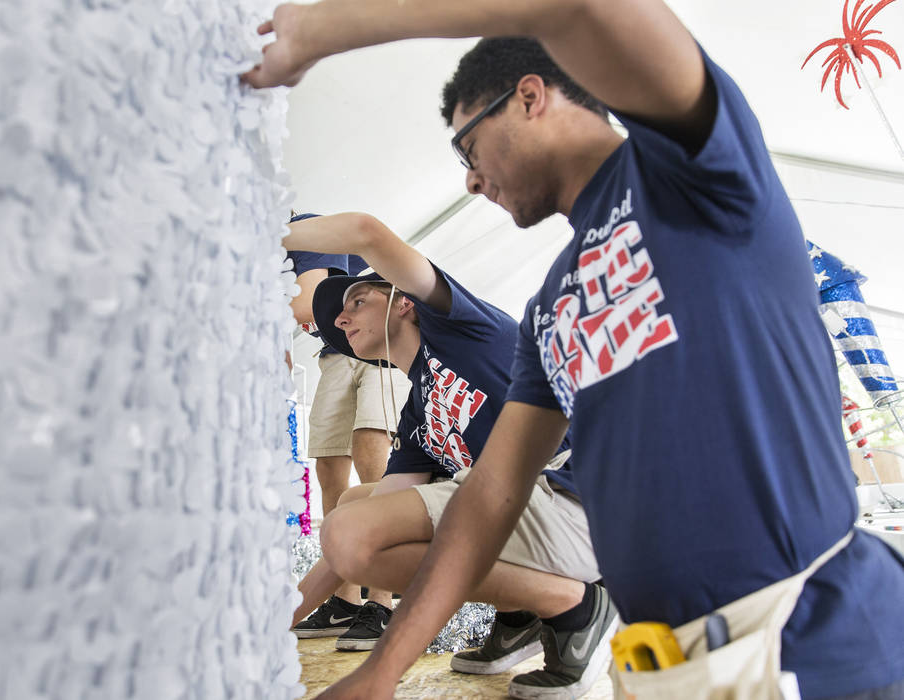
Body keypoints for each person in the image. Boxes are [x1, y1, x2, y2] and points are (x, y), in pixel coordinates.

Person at [245, 4, 904, 700]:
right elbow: (491, 494)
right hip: (665, 667)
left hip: (814, 642)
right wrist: (381, 672)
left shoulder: (693, 176)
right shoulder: (551, 309)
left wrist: (314, 33)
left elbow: (581, 8)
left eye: (467, 148)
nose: (470, 179)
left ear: (530, 97)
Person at [284, 213, 613, 696]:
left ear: (401, 303)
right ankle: (519, 612)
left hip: (582, 497)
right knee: (354, 512)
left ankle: (574, 606)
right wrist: (275, 621)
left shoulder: (458, 325)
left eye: (358, 299)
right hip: (526, 510)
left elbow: (366, 233)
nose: (341, 317)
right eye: (338, 317)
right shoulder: (418, 414)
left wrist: (263, 226)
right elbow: (352, 539)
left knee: (356, 529)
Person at [288, 215, 412, 647]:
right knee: (328, 463)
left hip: (378, 347)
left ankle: (382, 602)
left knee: (372, 454)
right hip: (334, 353)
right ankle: (346, 600)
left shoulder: (300, 228)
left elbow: (305, 303)